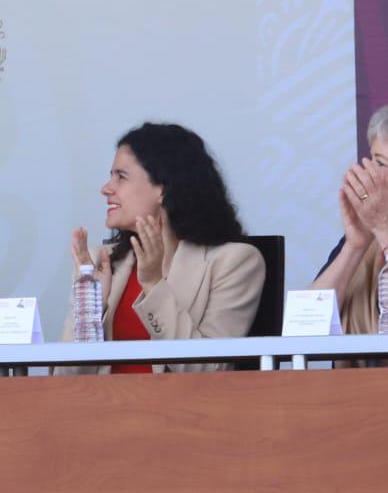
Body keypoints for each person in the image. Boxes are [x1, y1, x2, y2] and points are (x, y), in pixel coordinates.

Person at [65, 122, 263, 372]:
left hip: (179, 410)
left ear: (163, 188)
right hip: (102, 408)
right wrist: (90, 308)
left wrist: (154, 284)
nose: (106, 188)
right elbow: (65, 378)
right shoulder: (99, 261)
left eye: (121, 177)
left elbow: (209, 371)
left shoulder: (235, 262)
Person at [313, 96, 388, 333]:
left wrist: (386, 228)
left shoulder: (382, 227)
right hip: (358, 373)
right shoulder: (366, 235)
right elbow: (305, 326)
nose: (367, 173)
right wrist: (354, 246)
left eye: (380, 164)